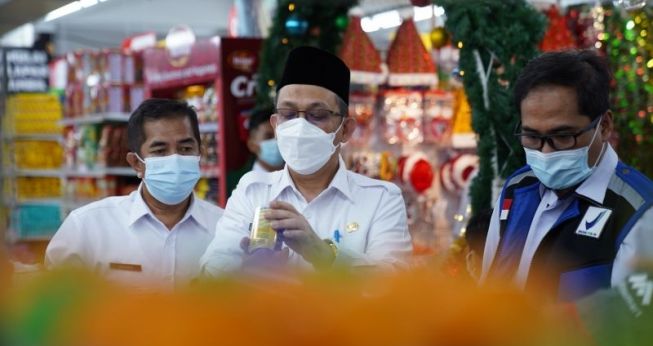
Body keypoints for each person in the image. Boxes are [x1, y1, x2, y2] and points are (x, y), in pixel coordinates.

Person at [200, 46, 411, 275]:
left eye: (317, 115)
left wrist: (323, 254)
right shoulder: (253, 191)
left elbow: (393, 285)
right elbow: (212, 275)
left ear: (346, 130)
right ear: (276, 124)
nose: (300, 127)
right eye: (288, 115)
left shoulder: (380, 198)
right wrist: (245, 271)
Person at [480, 50, 653, 302]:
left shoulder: (636, 211)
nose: (546, 151)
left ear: (603, 126)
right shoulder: (517, 190)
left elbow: (630, 327)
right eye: (532, 136)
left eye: (562, 136)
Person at [46, 99, 224, 289]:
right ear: (136, 163)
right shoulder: (87, 227)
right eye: (160, 151)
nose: (175, 159)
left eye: (185, 149)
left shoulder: (225, 229)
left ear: (200, 154)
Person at [247, 106, 284, 173]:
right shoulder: (252, 182)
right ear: (252, 145)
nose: (276, 141)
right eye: (268, 137)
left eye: (279, 135)